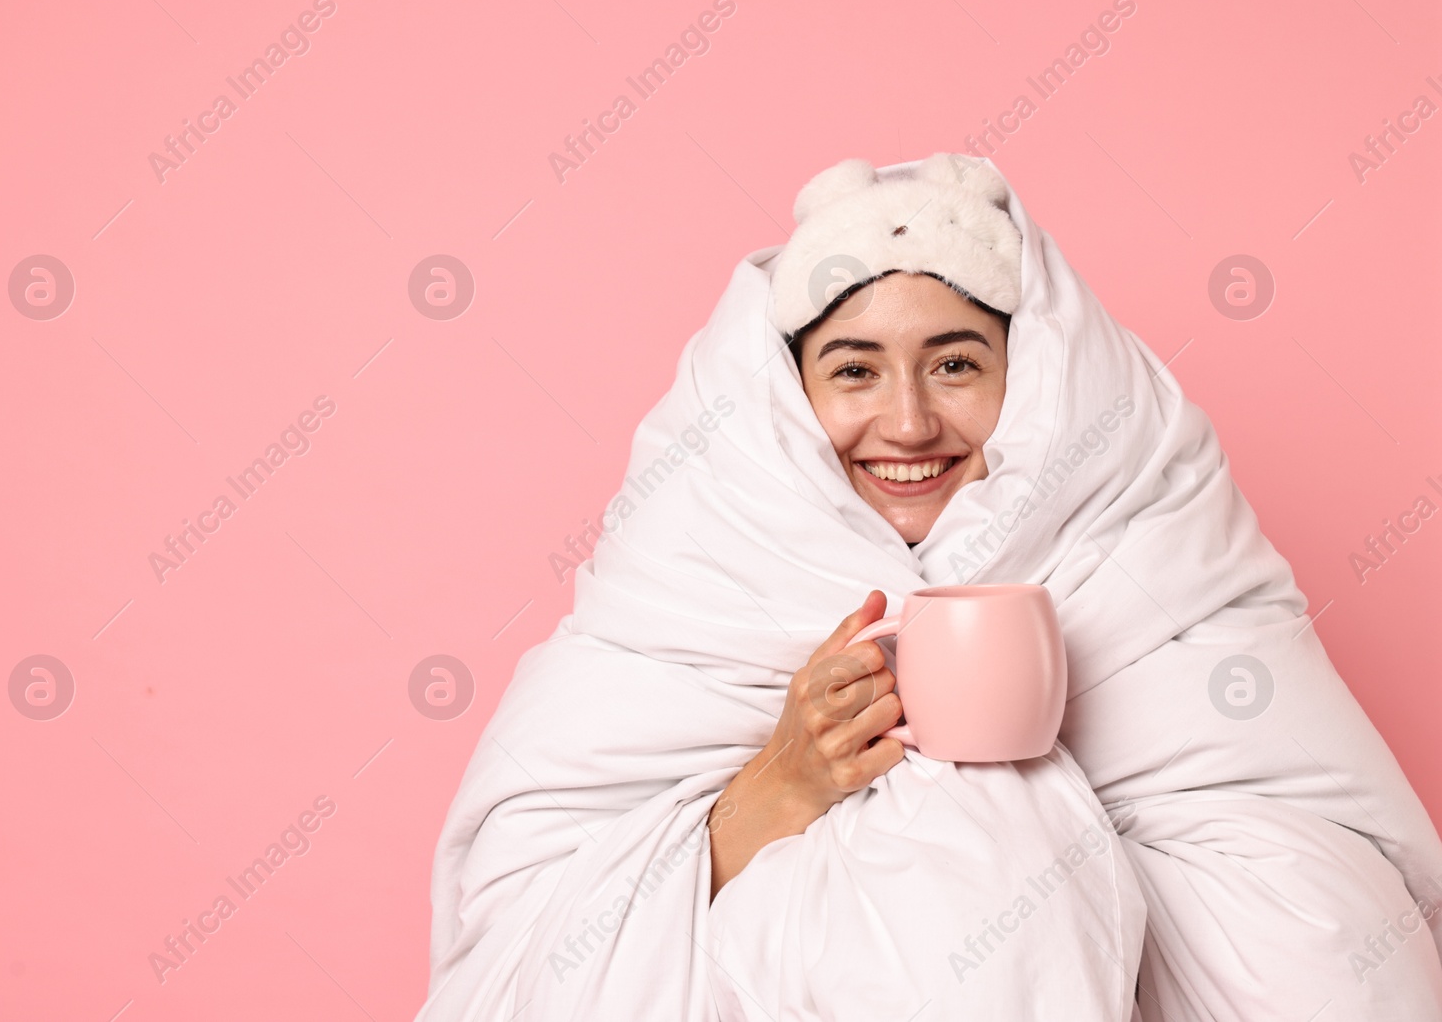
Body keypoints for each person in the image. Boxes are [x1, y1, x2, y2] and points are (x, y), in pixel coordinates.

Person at [415, 153, 1442, 1021]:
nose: (906, 425)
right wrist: (784, 783)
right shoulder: (689, 565)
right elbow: (528, 928)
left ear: (1036, 379)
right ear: (782, 396)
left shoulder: (1152, 530)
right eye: (853, 371)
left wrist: (1039, 825)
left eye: (954, 365)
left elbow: (1317, 870)